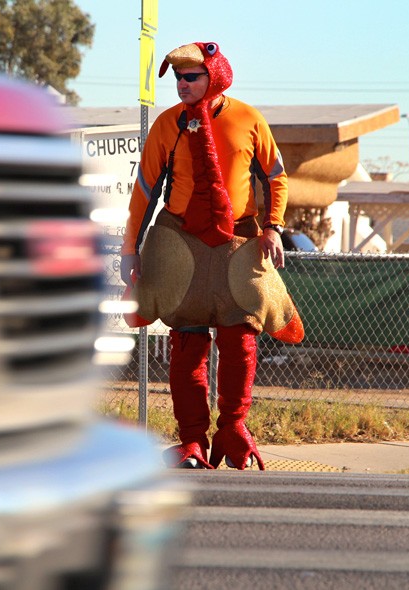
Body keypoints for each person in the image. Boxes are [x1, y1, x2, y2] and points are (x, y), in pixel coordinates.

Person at [120, 41, 303, 470]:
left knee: (241, 339)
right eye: (179, 78)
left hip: (238, 241)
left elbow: (276, 176)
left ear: (214, 76)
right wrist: (131, 248)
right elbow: (145, 190)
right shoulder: (169, 124)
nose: (182, 85)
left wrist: (274, 227)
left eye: (192, 77)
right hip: (180, 241)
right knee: (186, 345)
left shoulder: (248, 119)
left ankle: (234, 428)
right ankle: (191, 441)